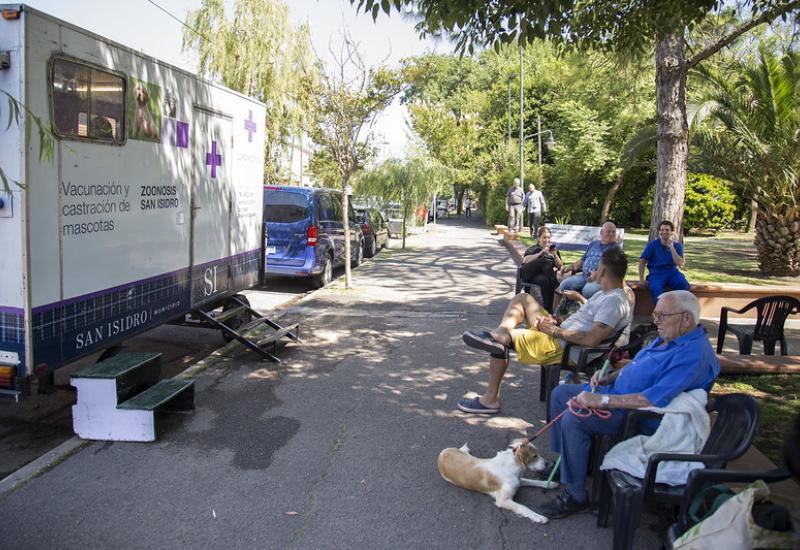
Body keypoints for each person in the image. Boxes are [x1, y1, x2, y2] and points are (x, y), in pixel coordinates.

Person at [535, 290, 720, 519]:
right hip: (619, 395)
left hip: (641, 415)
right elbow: (637, 367)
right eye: (655, 314)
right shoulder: (670, 337)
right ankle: (568, 465)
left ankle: (576, 495)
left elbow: (652, 399)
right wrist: (609, 378)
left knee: (576, 418)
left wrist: (602, 400)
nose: (656, 320)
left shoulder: (692, 355)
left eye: (663, 315)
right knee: (560, 394)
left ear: (687, 318)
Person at [458, 247, 633, 415]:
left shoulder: (614, 301)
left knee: (498, 343)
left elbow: (591, 339)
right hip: (560, 334)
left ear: (602, 270)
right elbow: (583, 321)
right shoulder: (604, 295)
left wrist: (554, 331)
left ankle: (491, 399)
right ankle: (502, 331)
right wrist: (555, 320)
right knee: (523, 298)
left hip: (563, 347)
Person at [556, 222, 620, 302]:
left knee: (587, 291)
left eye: (613, 232)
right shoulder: (593, 244)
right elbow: (582, 260)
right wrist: (570, 267)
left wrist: (597, 274)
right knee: (564, 285)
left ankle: (586, 308)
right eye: (608, 231)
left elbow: (613, 268)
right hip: (584, 276)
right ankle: (571, 308)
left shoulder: (615, 248)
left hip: (601, 278)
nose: (611, 234)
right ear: (601, 232)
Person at [639, 220, 690, 303]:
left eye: (667, 230)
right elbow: (642, 261)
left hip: (672, 272)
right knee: (656, 288)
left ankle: (678, 309)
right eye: (662, 230)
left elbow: (680, 263)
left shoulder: (677, 246)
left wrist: (672, 248)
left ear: (672, 232)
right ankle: (661, 312)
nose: (664, 232)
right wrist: (641, 279)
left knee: (683, 284)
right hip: (656, 273)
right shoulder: (652, 245)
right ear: (659, 231)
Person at [519, 226, 562, 311]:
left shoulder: (553, 249)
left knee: (545, 281)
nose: (547, 240)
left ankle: (548, 310)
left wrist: (555, 255)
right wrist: (541, 253)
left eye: (548, 237)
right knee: (543, 261)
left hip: (541, 276)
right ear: (539, 238)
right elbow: (525, 260)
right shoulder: (534, 248)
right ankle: (557, 287)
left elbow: (559, 266)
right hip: (528, 274)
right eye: (544, 237)